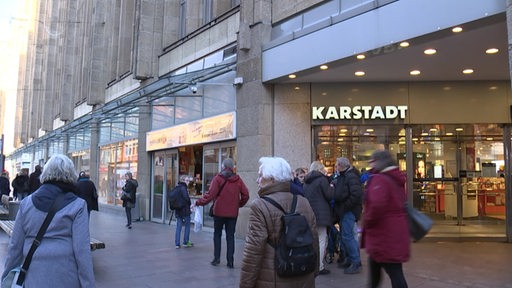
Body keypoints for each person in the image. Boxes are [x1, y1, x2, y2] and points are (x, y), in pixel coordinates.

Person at [1, 154, 95, 287]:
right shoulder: (78, 205)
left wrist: (5, 278)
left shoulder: (26, 204)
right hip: (66, 277)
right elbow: (82, 252)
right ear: (71, 175)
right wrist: (88, 285)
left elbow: (15, 247)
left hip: (33, 277)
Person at [240, 156, 319, 288]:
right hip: (304, 274)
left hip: (274, 278)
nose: (257, 180)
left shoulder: (259, 206)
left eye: (260, 176)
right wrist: (314, 271)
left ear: (272, 179)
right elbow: (314, 240)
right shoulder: (303, 202)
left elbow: (253, 252)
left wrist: (245, 284)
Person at [362, 150, 410, 288]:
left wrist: (368, 220)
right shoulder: (396, 178)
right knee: (391, 271)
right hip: (395, 232)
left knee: (392, 273)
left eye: (373, 161)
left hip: (383, 235)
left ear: (379, 162)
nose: (371, 164)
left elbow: (377, 205)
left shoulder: (380, 179)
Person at [195, 158, 249, 268]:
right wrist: (238, 204)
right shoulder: (238, 180)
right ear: (232, 167)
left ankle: (216, 259)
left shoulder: (218, 179)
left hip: (219, 213)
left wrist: (198, 202)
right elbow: (246, 195)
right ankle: (230, 261)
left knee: (217, 235)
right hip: (232, 214)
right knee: (230, 237)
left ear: (223, 166)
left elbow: (210, 195)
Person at [333, 157, 363, 274]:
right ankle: (351, 259)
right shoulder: (345, 176)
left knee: (347, 236)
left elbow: (356, 194)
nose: (335, 168)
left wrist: (345, 206)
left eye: (336, 166)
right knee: (346, 236)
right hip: (345, 210)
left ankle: (355, 261)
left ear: (341, 166)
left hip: (348, 211)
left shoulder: (350, 176)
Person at [303, 161, 333, 275]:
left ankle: (310, 264)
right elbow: (329, 195)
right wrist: (332, 187)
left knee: (312, 240)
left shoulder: (306, 181)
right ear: (320, 169)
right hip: (321, 214)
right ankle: (319, 266)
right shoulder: (322, 180)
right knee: (321, 239)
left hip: (309, 213)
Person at [173, 175, 193, 249]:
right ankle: (185, 241)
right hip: (185, 211)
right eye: (187, 180)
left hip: (178, 211)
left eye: (188, 180)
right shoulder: (183, 188)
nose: (188, 182)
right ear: (183, 180)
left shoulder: (177, 187)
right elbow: (187, 199)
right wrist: (190, 205)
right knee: (187, 226)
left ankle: (177, 243)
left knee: (179, 226)